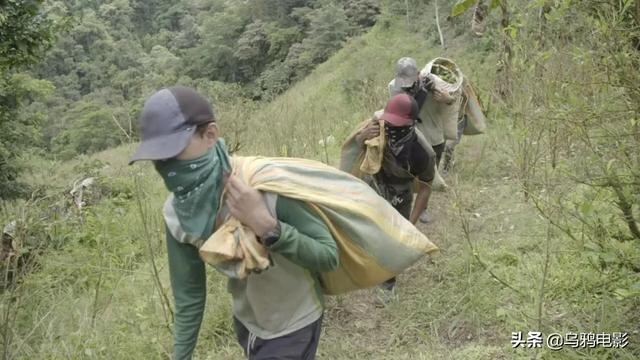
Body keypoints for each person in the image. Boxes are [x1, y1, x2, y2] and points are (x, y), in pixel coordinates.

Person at [129, 86, 338, 360]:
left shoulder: (265, 186)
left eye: (173, 151)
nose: (165, 166)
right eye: (158, 158)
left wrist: (267, 227)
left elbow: (328, 256)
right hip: (247, 323)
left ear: (210, 135)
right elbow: (189, 296)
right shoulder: (178, 215)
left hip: (294, 322)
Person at [355, 93, 435, 300]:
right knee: (368, 226)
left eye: (399, 126)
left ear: (412, 124)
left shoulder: (421, 152)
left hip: (400, 192)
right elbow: (355, 148)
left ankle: (388, 285)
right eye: (390, 124)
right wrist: (362, 137)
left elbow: (425, 187)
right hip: (374, 182)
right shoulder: (376, 128)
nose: (392, 129)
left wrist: (411, 223)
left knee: (393, 239)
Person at [388, 57, 449, 224]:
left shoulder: (431, 81)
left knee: (428, 177)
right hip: (411, 136)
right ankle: (402, 207)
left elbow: (450, 100)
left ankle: (423, 209)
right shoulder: (394, 86)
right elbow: (407, 110)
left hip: (434, 134)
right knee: (406, 174)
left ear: (418, 73)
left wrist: (444, 97)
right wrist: (420, 92)